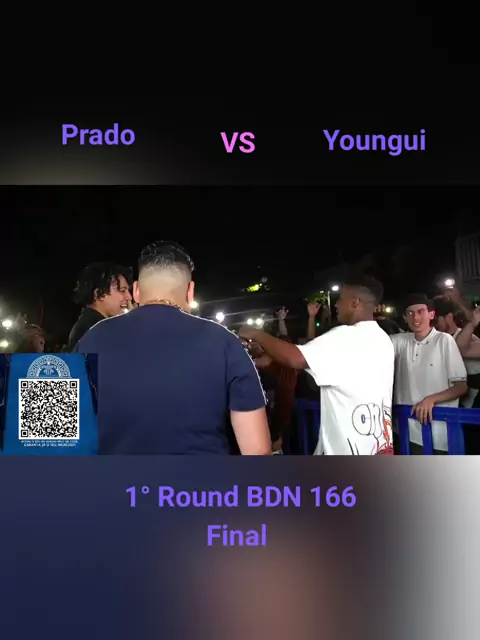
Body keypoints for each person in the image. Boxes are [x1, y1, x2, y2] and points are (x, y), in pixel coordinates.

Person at [76, 241, 270, 455]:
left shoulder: (89, 339)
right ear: (190, 291)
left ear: (137, 291)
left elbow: (54, 441)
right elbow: (257, 451)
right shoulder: (226, 343)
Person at [239, 275, 395, 455]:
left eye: (341, 299)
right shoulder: (382, 339)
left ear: (355, 303)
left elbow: (294, 358)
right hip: (379, 447)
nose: (336, 305)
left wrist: (256, 334)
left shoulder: (346, 336)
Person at [392, 294, 467, 454]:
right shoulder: (400, 341)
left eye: (421, 311)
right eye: (410, 313)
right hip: (405, 429)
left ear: (431, 314)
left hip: (438, 433)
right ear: (405, 317)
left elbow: (461, 386)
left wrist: (431, 399)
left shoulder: (444, 340)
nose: (415, 317)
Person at [68, 262, 133, 351]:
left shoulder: (90, 326)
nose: (129, 297)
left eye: (128, 291)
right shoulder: (95, 330)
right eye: (122, 290)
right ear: (99, 294)